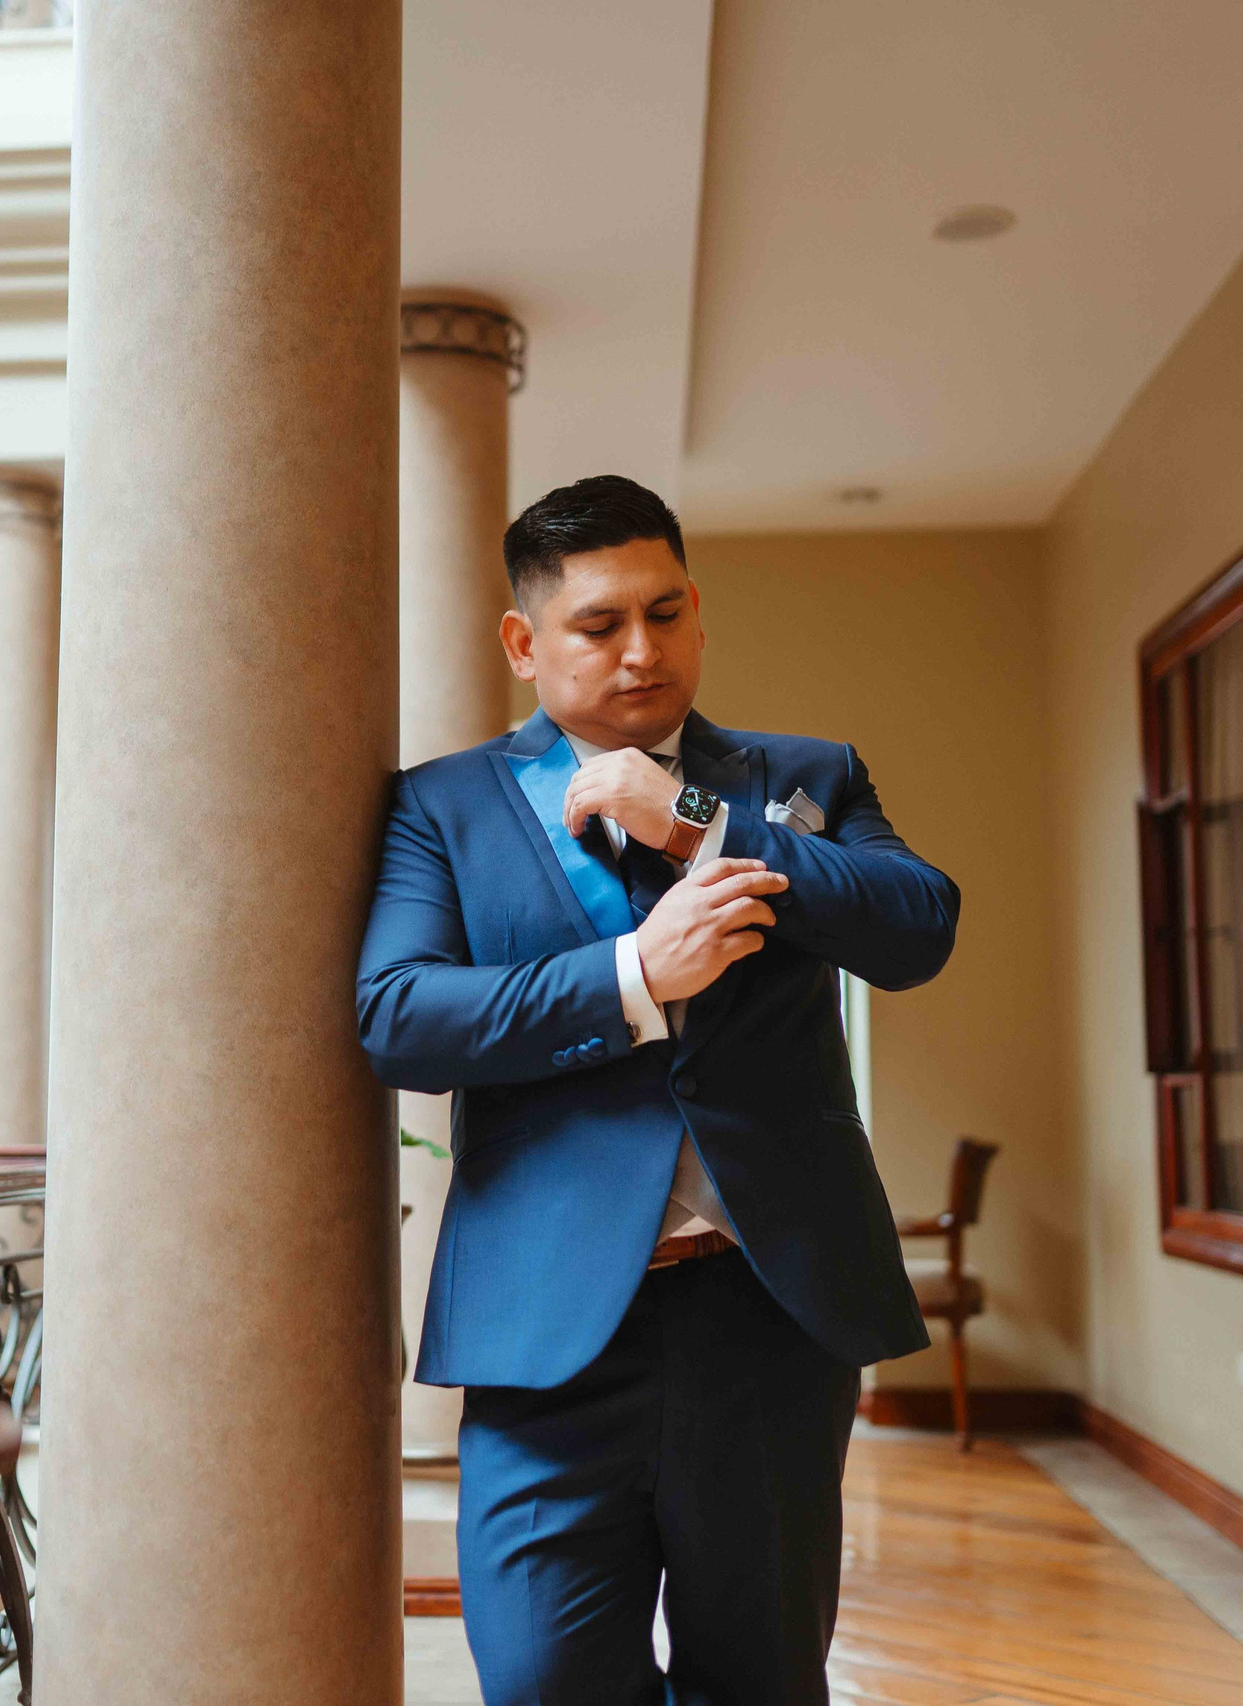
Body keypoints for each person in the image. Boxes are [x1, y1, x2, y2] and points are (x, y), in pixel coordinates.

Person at [356, 475, 960, 1704]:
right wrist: (632, 973)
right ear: (525, 642)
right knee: (541, 1677)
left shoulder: (804, 777)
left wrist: (694, 817)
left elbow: (915, 929)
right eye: (598, 624)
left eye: (667, 612)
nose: (643, 649)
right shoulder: (442, 805)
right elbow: (399, 1013)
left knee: (762, 1678)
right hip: (546, 1330)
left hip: (769, 1313)